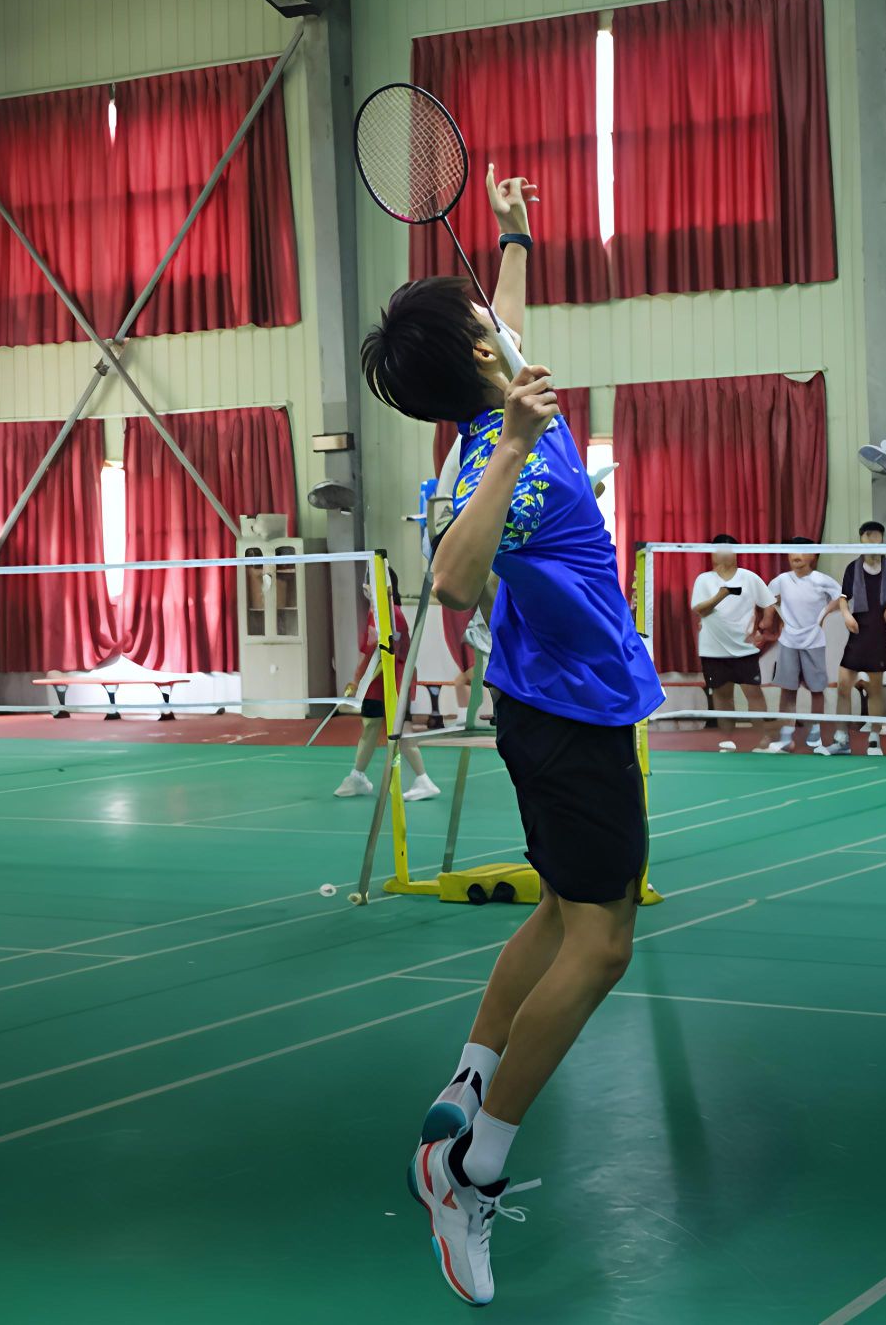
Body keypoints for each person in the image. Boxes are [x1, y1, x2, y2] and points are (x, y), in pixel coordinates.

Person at [360, 164, 665, 1306]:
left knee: (562, 909)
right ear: (481, 361)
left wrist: (515, 237)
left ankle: (468, 1075)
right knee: (603, 942)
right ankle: (469, 1169)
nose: (502, 318)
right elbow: (450, 581)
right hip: (573, 712)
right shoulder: (507, 460)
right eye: (488, 318)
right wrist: (506, 450)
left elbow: (503, 317)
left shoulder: (506, 389)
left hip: (556, 697)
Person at [335, 564, 440, 803]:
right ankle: (358, 776)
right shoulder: (377, 612)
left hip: (393, 683)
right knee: (371, 727)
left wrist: (357, 681)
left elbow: (379, 653)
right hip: (377, 684)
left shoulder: (392, 615)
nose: (367, 588)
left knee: (401, 733)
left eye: (371, 583)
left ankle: (423, 780)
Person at [828, 521, 886, 756]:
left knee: (875, 690)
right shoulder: (853, 568)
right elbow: (843, 597)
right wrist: (846, 614)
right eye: (868, 535)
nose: (872, 539)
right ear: (861, 539)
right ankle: (841, 739)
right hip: (857, 634)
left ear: (882, 539)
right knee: (843, 687)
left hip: (878, 634)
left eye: (877, 535)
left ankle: (874, 739)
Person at [692, 534, 776, 751]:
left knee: (754, 693)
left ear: (735, 552)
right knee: (722, 695)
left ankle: (764, 739)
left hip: (744, 649)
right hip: (713, 649)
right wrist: (721, 595)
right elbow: (700, 609)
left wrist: (763, 627)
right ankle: (727, 740)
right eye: (716, 549)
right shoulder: (703, 580)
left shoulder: (749, 578)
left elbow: (769, 603)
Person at [759, 540, 845, 754]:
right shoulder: (780, 580)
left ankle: (815, 732)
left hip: (814, 642)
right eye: (792, 552)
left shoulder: (822, 580)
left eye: (802, 552)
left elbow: (842, 597)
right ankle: (786, 739)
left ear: (813, 556)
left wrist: (825, 613)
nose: (796, 556)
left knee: (816, 690)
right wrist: (768, 618)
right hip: (788, 642)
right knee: (787, 690)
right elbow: (769, 600)